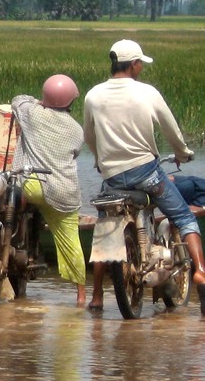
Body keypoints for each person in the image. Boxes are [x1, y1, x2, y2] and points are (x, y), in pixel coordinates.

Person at [83, 39, 205, 313]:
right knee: (185, 218)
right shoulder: (147, 93)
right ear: (134, 64)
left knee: (105, 230)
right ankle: (201, 272)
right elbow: (171, 130)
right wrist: (183, 152)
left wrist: (101, 161)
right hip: (146, 173)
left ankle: (98, 295)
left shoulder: (93, 95)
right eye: (140, 64)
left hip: (112, 177)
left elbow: (89, 137)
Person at [11, 75, 86, 305]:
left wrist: (38, 102)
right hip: (63, 191)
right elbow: (75, 154)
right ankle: (82, 295)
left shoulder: (32, 113)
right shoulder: (76, 130)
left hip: (31, 186)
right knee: (71, 240)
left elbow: (17, 100)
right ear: (70, 101)